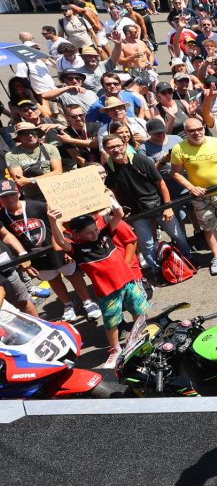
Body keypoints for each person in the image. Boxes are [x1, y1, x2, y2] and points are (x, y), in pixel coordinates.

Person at [47, 206, 147, 370]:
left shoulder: (104, 235)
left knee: (139, 311)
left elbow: (119, 214)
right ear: (76, 235)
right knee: (111, 323)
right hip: (107, 293)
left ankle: (140, 337)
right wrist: (53, 221)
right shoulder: (78, 250)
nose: (94, 234)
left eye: (95, 229)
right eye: (89, 233)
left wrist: (112, 201)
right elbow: (60, 242)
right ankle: (115, 349)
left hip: (128, 282)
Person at [0, 179, 99, 322]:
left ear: (18, 193)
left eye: (12, 194)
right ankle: (68, 304)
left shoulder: (37, 205)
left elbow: (60, 224)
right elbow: (8, 237)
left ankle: (87, 302)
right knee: (52, 279)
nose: (9, 199)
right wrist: (23, 258)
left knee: (73, 274)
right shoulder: (2, 216)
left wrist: (66, 245)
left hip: (55, 247)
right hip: (34, 255)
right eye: (4, 196)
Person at [101, 133, 190, 282]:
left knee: (178, 235)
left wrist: (168, 207)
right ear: (105, 149)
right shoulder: (107, 169)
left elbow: (161, 183)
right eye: (111, 147)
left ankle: (187, 259)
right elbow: (113, 192)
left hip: (157, 205)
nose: (116, 149)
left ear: (124, 145)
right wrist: (121, 210)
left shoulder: (141, 160)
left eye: (118, 145)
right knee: (146, 245)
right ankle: (158, 271)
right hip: (135, 212)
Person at [170, 117, 217, 276]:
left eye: (199, 129)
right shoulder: (179, 149)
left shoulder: (216, 142)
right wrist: (191, 187)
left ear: (203, 127)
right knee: (208, 225)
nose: (196, 133)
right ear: (185, 132)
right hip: (200, 196)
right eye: (191, 131)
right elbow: (175, 173)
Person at [5, 123, 63, 201]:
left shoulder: (50, 148)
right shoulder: (11, 155)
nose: (30, 135)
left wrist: (31, 180)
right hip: (33, 198)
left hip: (55, 191)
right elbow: (20, 181)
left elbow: (58, 172)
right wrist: (48, 176)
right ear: (19, 137)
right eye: (25, 133)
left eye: (33, 132)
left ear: (38, 134)